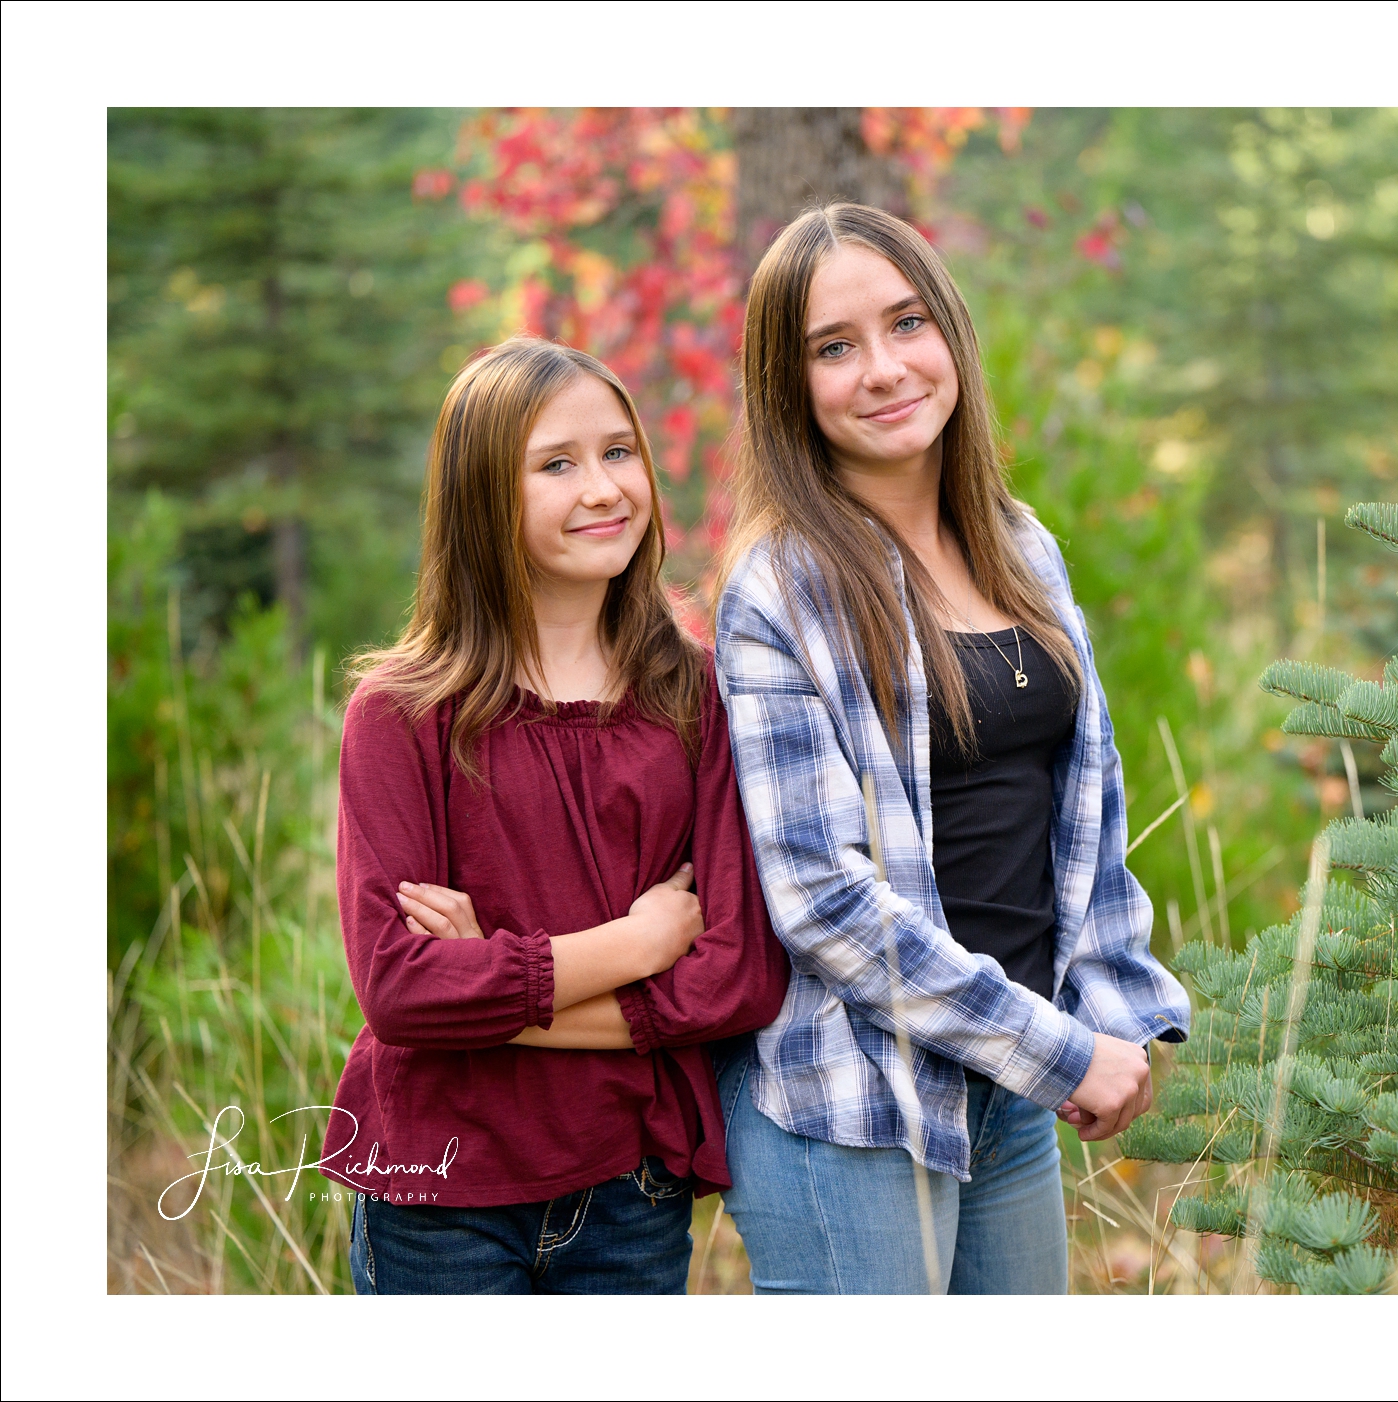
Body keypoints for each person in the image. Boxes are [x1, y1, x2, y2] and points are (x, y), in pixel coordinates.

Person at [711, 204, 1191, 1294]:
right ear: (788, 387)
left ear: (952, 337)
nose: (881, 369)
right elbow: (823, 901)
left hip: (1005, 1086)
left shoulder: (1020, 546)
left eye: (906, 323)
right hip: (854, 1102)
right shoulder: (782, 588)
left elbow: (1088, 808)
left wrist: (1112, 1014)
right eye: (833, 348)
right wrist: (1060, 1050)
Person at [324, 336, 788, 1294]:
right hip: (440, 1192)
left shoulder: (693, 694)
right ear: (485, 496)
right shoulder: (404, 714)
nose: (604, 488)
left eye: (619, 452)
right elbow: (402, 993)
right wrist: (639, 939)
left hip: (631, 1187)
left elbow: (736, 978)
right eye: (557, 464)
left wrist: (487, 989)